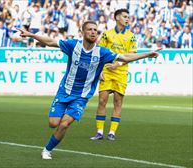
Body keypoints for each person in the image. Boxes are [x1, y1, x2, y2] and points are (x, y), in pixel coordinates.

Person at [18, 20, 160, 160]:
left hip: (82, 96)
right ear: (82, 32)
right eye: (90, 29)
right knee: (53, 123)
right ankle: (60, 120)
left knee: (64, 124)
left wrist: (147, 54)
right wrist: (31, 35)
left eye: (96, 30)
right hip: (64, 92)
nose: (93, 32)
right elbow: (50, 42)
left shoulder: (102, 52)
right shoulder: (73, 45)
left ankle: (47, 150)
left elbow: (124, 57)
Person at [90, 9, 137, 141]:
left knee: (117, 103)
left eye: (128, 17)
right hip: (107, 72)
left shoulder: (131, 36)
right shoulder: (106, 34)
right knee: (102, 101)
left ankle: (112, 133)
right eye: (125, 16)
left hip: (121, 73)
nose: (127, 19)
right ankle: (99, 132)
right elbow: (98, 52)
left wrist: (118, 64)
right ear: (117, 17)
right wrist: (98, 71)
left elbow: (131, 55)